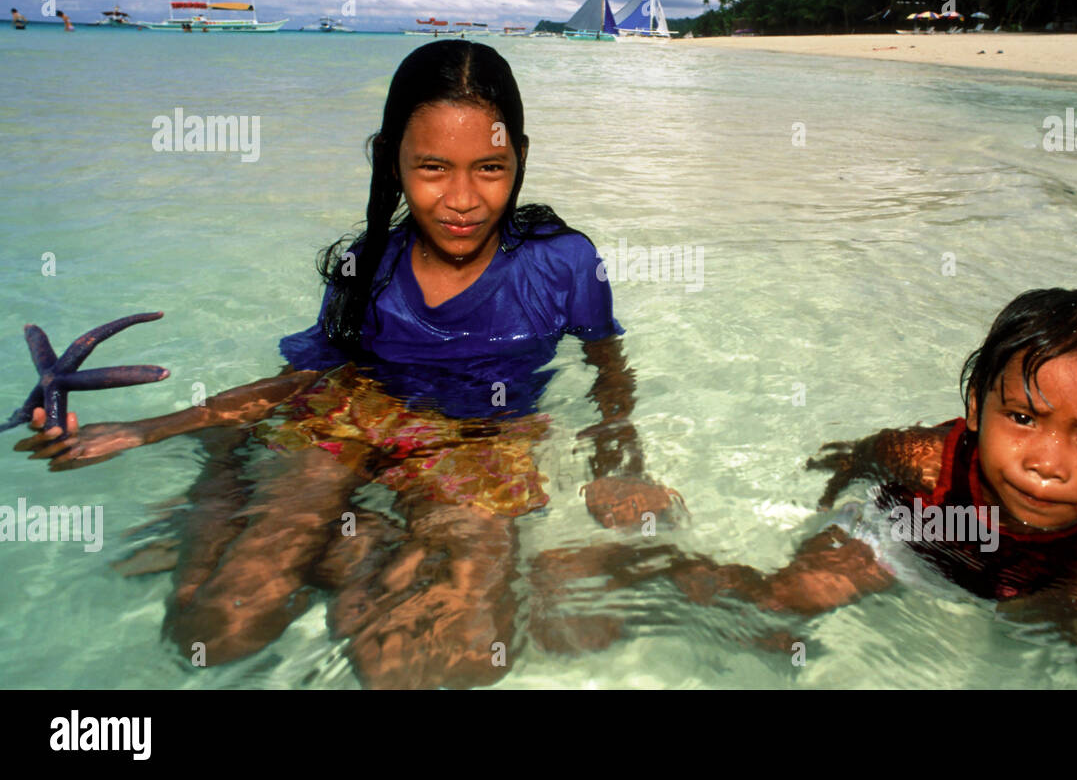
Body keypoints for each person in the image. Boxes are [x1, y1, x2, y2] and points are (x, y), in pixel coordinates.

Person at [18, 40, 680, 687]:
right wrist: (147, 429)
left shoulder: (564, 262)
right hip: (352, 419)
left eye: (489, 167)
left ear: (521, 158)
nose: (462, 199)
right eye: (432, 168)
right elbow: (308, 378)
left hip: (482, 442)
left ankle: (355, 545)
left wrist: (620, 463)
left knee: (456, 656)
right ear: (392, 161)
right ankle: (238, 477)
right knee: (217, 624)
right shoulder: (366, 268)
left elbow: (608, 368)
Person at [655, 288, 1077, 689]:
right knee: (775, 604)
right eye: (1022, 417)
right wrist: (840, 477)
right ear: (974, 408)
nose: (1047, 463)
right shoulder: (923, 460)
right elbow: (871, 454)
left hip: (1047, 580)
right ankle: (652, 565)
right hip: (909, 543)